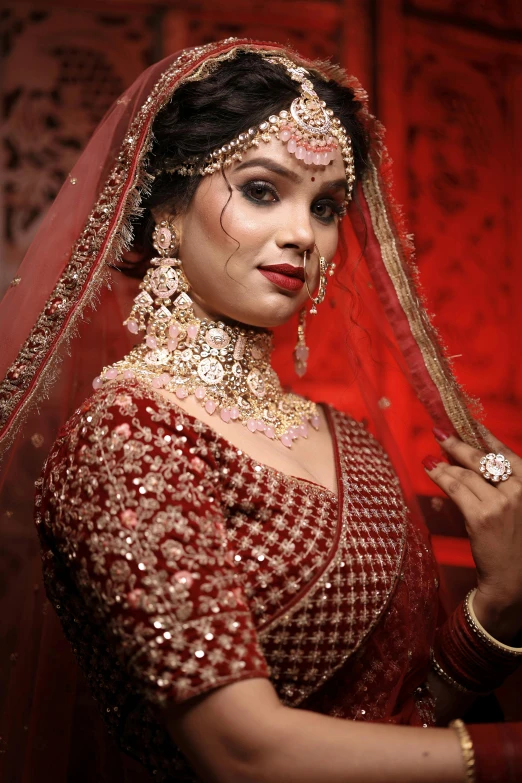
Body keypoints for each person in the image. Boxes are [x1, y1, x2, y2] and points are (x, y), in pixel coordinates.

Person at [0, 38, 521, 783]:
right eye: (262, 189)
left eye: (327, 205)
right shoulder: (127, 437)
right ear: (168, 210)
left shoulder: (350, 441)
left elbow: (404, 722)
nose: (302, 234)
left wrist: (496, 614)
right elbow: (242, 752)